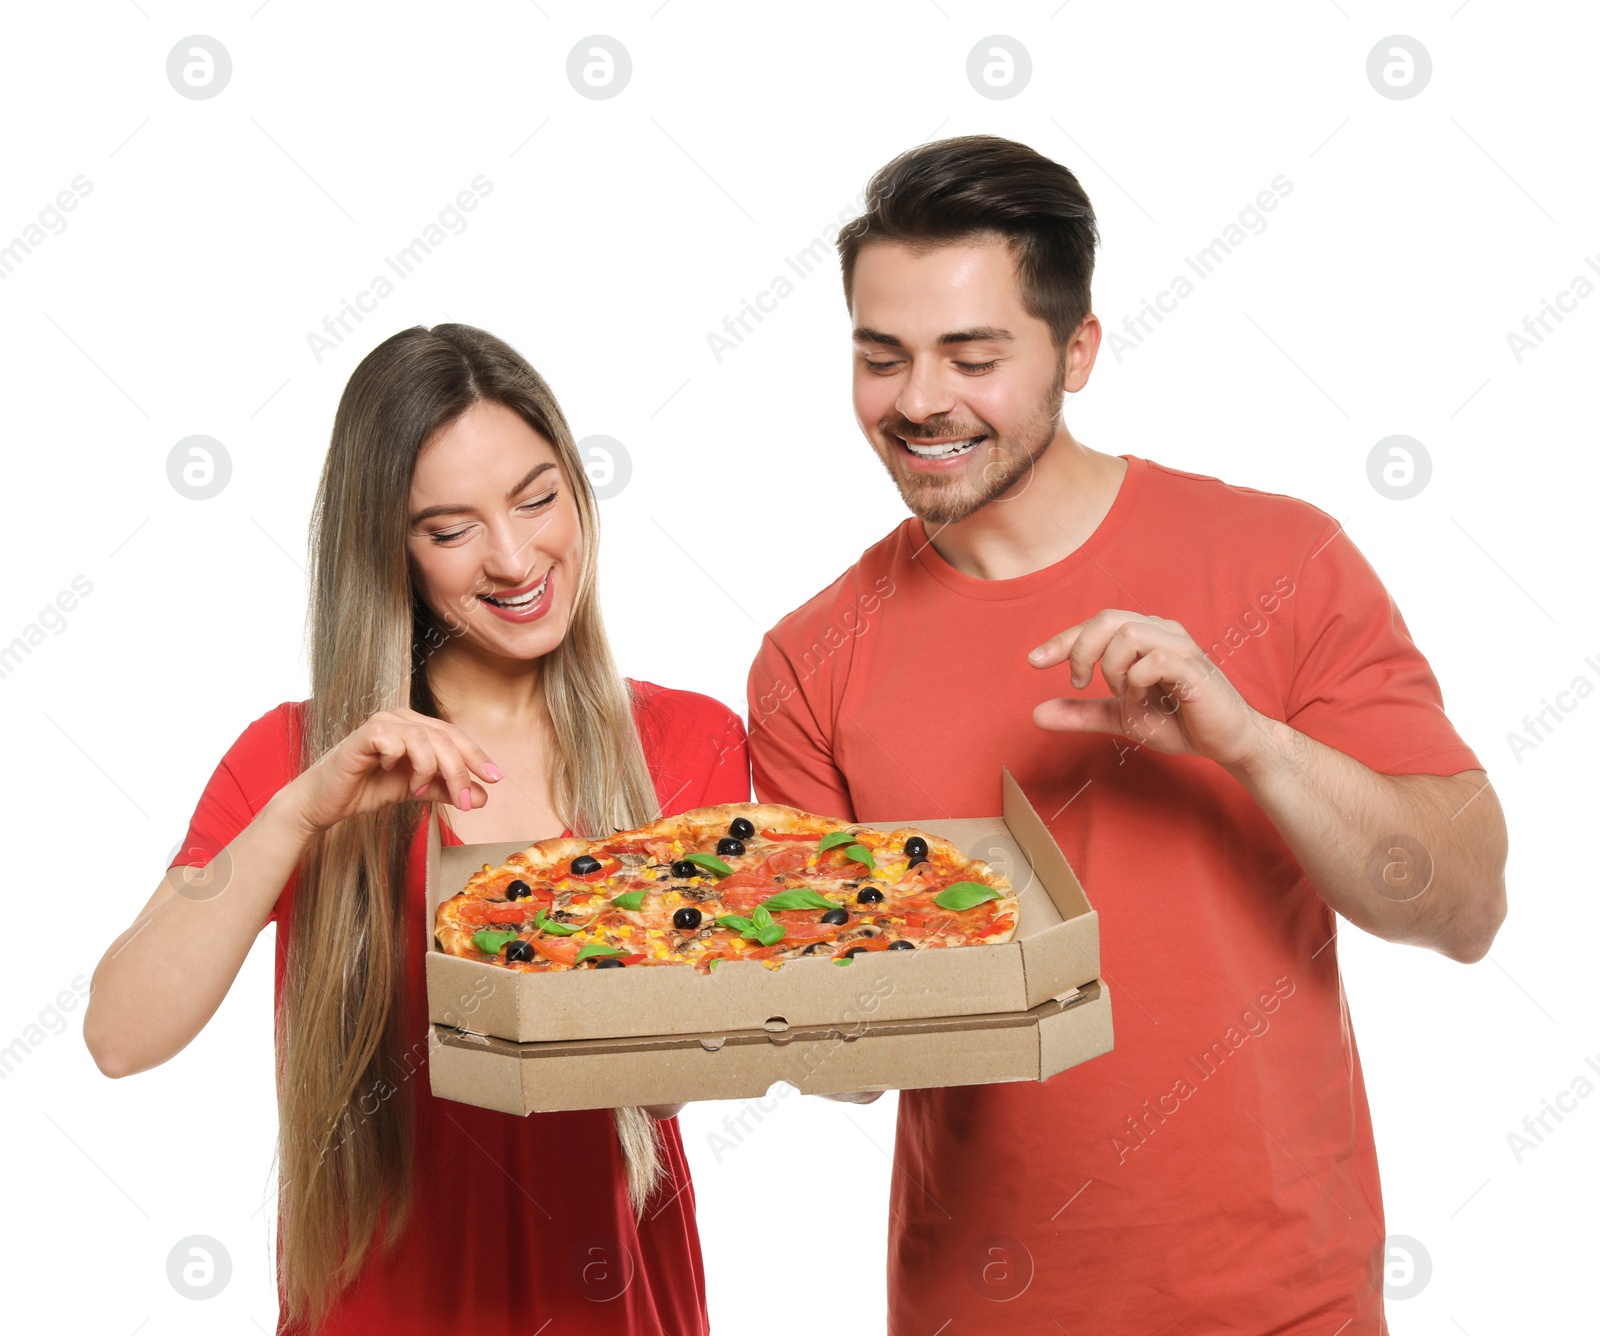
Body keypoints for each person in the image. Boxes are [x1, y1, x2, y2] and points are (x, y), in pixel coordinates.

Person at [746, 136, 1508, 1335]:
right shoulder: (808, 659)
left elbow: (1464, 906)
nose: (918, 401)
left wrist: (1252, 742)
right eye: (879, 356)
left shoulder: (1280, 561)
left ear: (1078, 350)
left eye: (972, 355)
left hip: (1283, 1303)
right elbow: (856, 1069)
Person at [84, 324, 748, 1335]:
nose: (516, 556)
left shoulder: (690, 742)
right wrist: (300, 814)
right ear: (389, 548)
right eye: (451, 528)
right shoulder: (296, 758)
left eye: (536, 498)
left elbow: (733, 1045)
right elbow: (119, 1036)